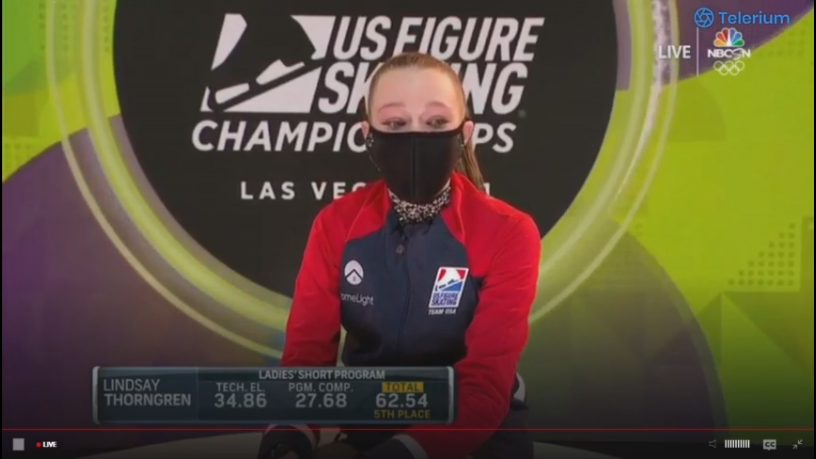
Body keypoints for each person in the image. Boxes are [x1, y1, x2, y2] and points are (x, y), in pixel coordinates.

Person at [257, 52, 541, 459]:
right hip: (367, 433)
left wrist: (404, 452)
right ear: (368, 134)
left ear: (465, 133)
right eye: (394, 123)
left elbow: (485, 386)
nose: (415, 137)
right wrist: (288, 436)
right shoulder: (335, 224)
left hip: (480, 442)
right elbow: (306, 358)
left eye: (436, 122)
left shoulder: (509, 231)